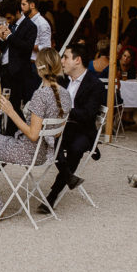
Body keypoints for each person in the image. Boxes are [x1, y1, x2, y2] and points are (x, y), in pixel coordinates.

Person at [0, 48, 71, 220]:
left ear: (40, 68)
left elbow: (33, 135)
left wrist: (11, 112)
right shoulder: (65, 94)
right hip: (45, 152)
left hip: (26, 151)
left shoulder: (41, 95)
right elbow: (55, 132)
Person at [39, 43, 105, 211]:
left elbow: (88, 114)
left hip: (83, 130)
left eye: (65, 57)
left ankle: (52, 195)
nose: (62, 61)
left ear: (77, 60)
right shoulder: (61, 80)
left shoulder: (95, 84)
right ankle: (69, 176)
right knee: (50, 138)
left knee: (76, 148)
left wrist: (64, 108)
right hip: (62, 128)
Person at [0, 0, 36, 130]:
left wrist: (10, 37)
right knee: (5, 104)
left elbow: (26, 48)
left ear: (17, 12)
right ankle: (10, 132)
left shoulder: (30, 26)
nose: (7, 20)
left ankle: (20, 132)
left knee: (14, 105)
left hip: (18, 72)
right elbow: (4, 49)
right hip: (5, 69)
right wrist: (2, 39)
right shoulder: (10, 25)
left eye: (9, 17)